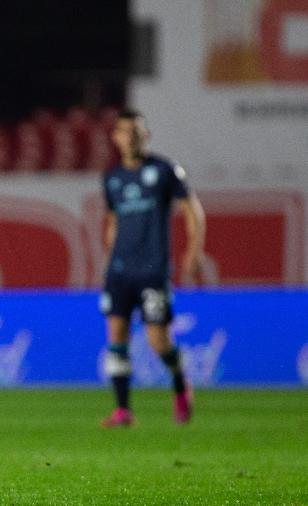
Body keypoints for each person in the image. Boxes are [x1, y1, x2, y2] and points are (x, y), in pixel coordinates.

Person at [99, 109, 206, 427]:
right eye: (123, 131)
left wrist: (194, 250)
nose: (129, 136)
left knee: (157, 341)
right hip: (119, 270)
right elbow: (113, 222)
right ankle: (123, 410)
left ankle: (179, 382)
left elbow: (192, 209)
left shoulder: (164, 170)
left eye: (135, 131)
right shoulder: (112, 178)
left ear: (146, 135)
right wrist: (108, 260)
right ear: (115, 137)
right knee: (116, 336)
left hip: (152, 270)